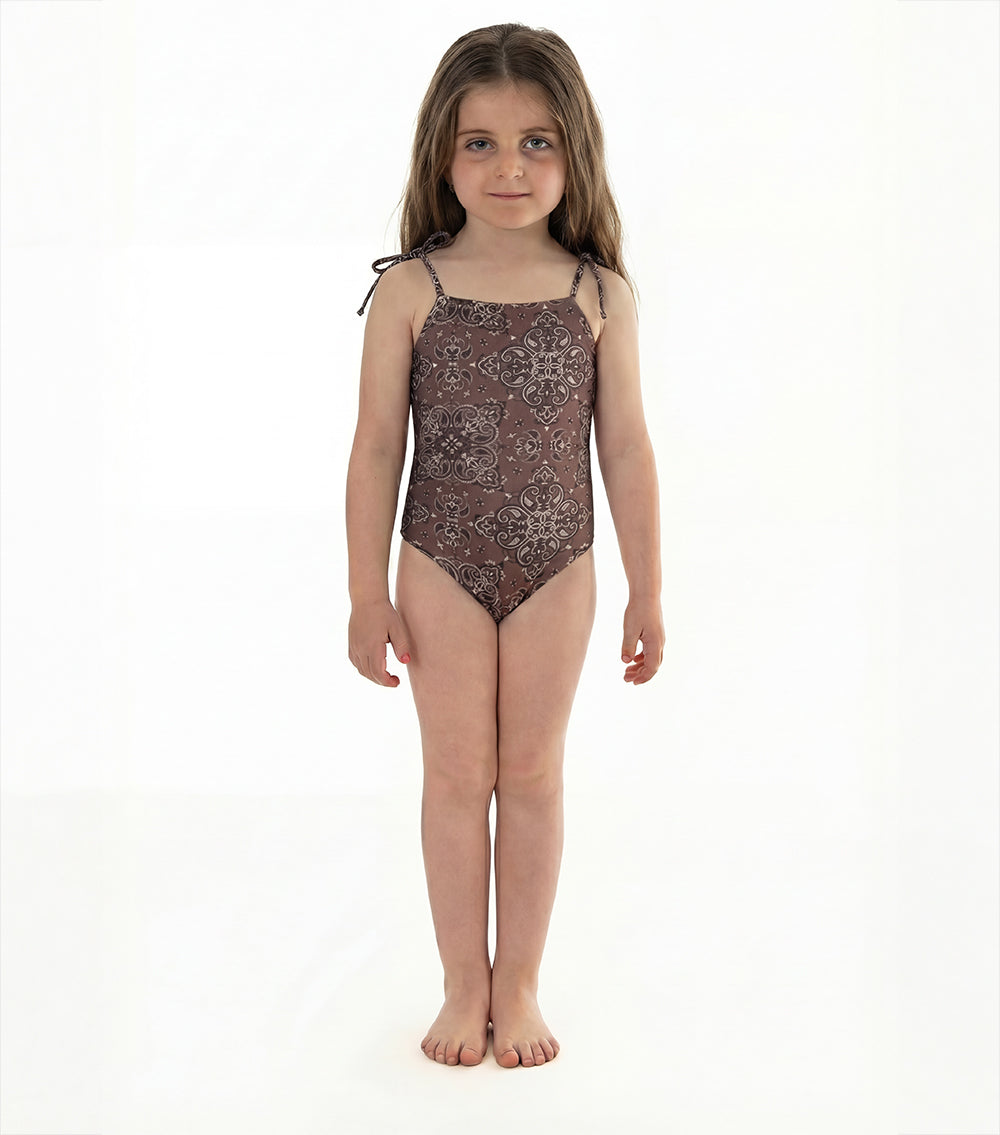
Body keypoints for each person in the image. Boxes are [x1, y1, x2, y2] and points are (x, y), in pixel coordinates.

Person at [346, 22, 664, 1069]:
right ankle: (461, 982)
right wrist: (364, 592)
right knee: (455, 774)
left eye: (535, 141)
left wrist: (646, 589)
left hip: (558, 564)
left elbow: (623, 449)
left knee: (528, 773)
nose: (508, 166)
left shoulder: (596, 294)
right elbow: (377, 449)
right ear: (442, 152)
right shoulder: (409, 288)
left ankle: (518, 981)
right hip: (438, 556)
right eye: (478, 142)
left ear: (574, 152)